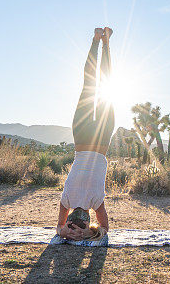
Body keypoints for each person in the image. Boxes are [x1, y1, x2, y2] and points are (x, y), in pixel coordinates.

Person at [57, 26, 116, 241]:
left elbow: (58, 227)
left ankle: (95, 40)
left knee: (89, 83)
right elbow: (105, 228)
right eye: (79, 226)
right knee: (106, 84)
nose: (74, 225)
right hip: (101, 140)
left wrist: (64, 231)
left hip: (82, 140)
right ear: (88, 221)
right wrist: (89, 233)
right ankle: (106, 43)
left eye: (72, 225)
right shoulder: (96, 202)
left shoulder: (66, 202)